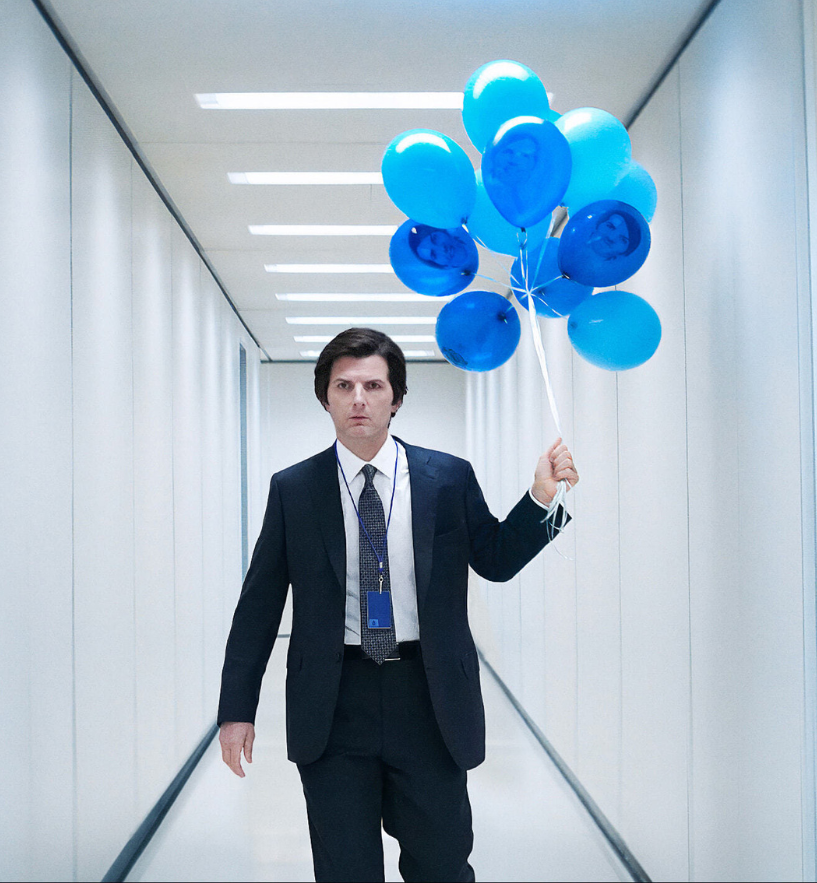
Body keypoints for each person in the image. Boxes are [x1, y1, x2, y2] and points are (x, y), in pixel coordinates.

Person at [216, 328, 577, 882]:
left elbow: (496, 560)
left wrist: (541, 499)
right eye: (344, 386)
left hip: (428, 697)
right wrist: (236, 709)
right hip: (334, 702)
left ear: (397, 398)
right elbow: (258, 604)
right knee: (345, 868)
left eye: (373, 385)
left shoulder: (447, 478)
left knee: (440, 863)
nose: (358, 398)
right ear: (325, 397)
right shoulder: (293, 489)